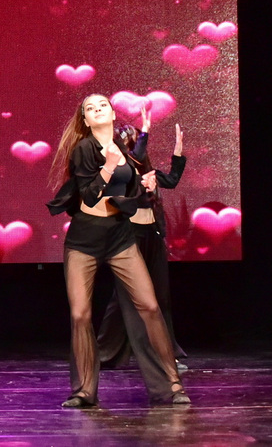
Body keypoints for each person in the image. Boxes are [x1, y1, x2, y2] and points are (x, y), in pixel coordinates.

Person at [46, 94, 190, 408]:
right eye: (90, 108)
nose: (97, 109)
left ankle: (170, 386)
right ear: (86, 121)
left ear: (112, 114)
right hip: (85, 241)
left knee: (149, 306)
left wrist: (145, 187)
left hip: (120, 237)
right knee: (80, 314)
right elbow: (90, 195)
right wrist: (109, 166)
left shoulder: (122, 149)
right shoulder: (84, 149)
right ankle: (84, 391)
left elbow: (128, 192)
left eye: (102, 105)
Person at [96, 112, 189, 370]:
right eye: (130, 141)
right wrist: (145, 131)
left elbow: (171, 180)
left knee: (160, 296)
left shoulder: (148, 173)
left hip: (152, 237)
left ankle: (166, 353)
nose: (134, 145)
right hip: (130, 239)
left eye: (136, 140)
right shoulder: (119, 173)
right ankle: (102, 354)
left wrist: (178, 154)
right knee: (124, 297)